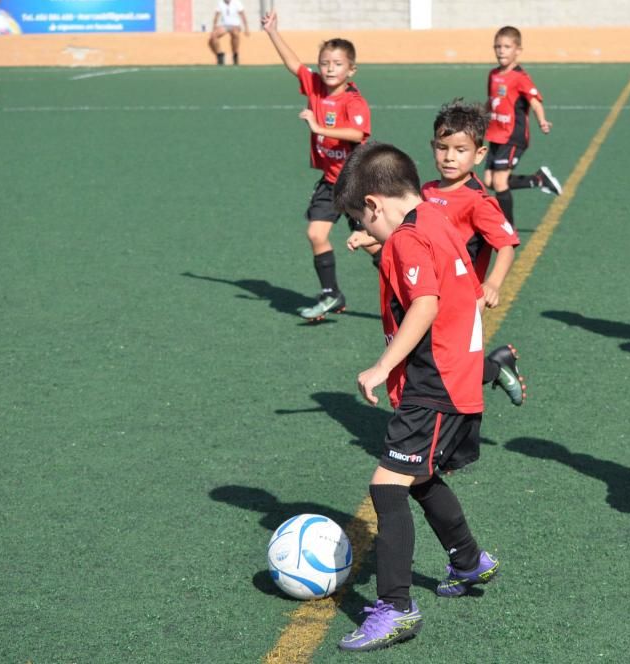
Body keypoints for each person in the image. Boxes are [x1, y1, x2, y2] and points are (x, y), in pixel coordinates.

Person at [332, 143, 499, 652]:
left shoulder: (406, 239)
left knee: (387, 486)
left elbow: (424, 302)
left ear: (375, 204)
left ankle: (397, 607)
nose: (364, 230)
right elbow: (451, 289)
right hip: (458, 375)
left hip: (436, 382)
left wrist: (383, 366)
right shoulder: (436, 217)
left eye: (362, 219)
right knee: (421, 476)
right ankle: (469, 561)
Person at [262, 11, 372, 320]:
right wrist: (273, 32)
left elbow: (357, 133)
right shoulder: (315, 87)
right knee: (315, 233)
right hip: (330, 180)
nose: (329, 69)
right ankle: (331, 294)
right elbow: (294, 64)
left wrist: (320, 128)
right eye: (325, 63)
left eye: (337, 64)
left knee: (372, 245)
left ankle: (409, 289)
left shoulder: (354, 101)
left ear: (351, 69)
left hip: (355, 182)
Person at [422, 100, 526, 406]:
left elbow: (506, 245)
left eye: (460, 150)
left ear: (479, 154)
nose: (449, 157)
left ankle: (495, 369)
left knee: (451, 365)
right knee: (434, 361)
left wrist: (492, 284)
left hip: (464, 299)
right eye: (443, 148)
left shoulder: (478, 201)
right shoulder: (426, 191)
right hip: (428, 294)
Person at [484, 26, 562, 227]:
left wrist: (542, 121)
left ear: (517, 50)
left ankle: (508, 229)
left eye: (507, 46)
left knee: (500, 182)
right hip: (495, 134)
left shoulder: (520, 77)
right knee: (489, 182)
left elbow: (535, 101)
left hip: (513, 135)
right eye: (498, 46)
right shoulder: (493, 74)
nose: (501, 50)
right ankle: (539, 180)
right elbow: (491, 100)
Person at [208, 0, 249, 66]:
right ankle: (220, 54)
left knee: (235, 34)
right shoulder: (220, 3)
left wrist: (246, 28)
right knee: (213, 37)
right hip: (224, 25)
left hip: (235, 24)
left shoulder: (237, 3)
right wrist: (214, 28)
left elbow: (243, 15)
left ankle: (235, 54)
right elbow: (216, 16)